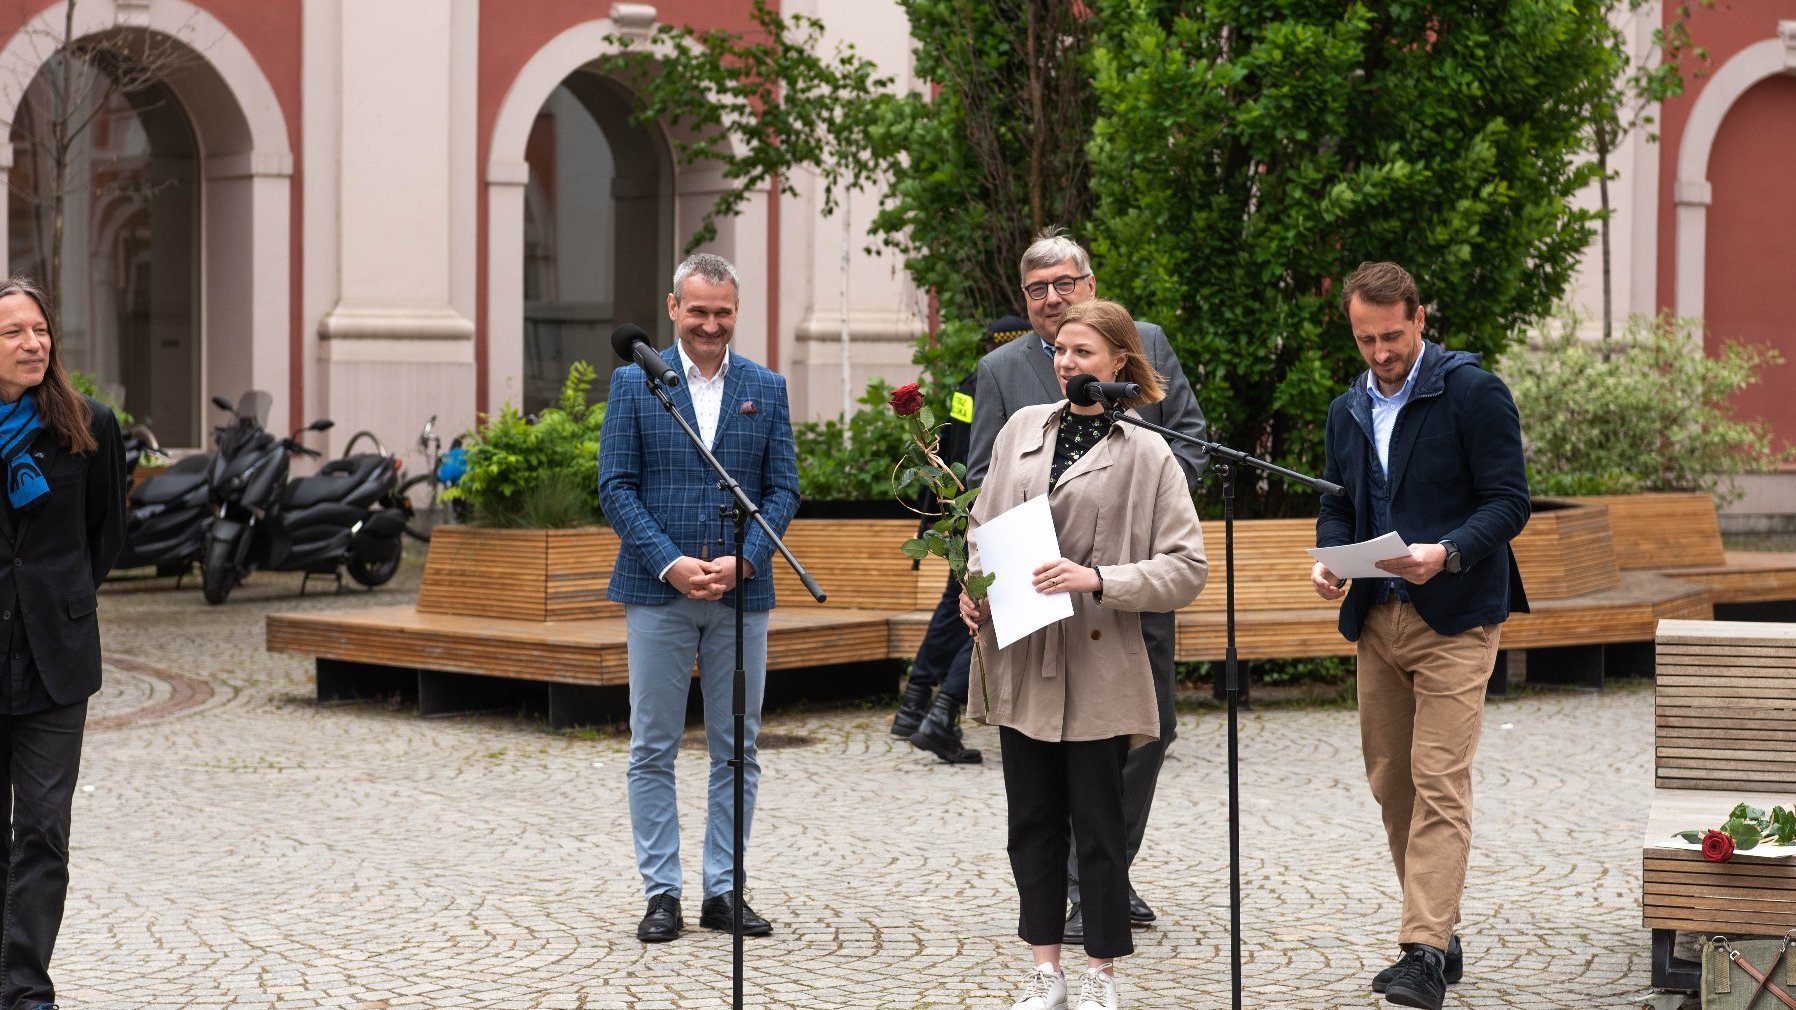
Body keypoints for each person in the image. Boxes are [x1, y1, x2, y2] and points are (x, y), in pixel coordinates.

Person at [960, 298, 1207, 1010]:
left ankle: (1100, 975)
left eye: (1083, 353)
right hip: (1023, 654)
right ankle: (1046, 974)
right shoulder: (1018, 429)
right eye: (1062, 352)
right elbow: (982, 527)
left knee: (1098, 828)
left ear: (1120, 364)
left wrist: (1099, 579)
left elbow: (1186, 568)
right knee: (1031, 822)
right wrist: (973, 591)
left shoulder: (1147, 451)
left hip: (1101, 660)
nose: (1067, 363)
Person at [1310, 261, 1530, 1010]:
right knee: (1390, 782)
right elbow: (1341, 507)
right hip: (1378, 616)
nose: (1380, 352)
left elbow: (1509, 503)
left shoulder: (1472, 391)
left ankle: (1423, 951)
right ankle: (1437, 921)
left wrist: (1449, 551)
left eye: (1392, 335)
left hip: (1458, 615)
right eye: (1366, 339)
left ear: (1420, 319)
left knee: (1439, 777)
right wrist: (1330, 560)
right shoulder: (1347, 409)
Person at [598, 253, 801, 944]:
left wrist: (743, 563)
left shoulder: (765, 387)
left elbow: (783, 490)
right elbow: (616, 488)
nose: (710, 324)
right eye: (698, 310)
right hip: (658, 593)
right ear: (673, 308)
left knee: (736, 748)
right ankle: (662, 893)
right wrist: (672, 564)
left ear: (736, 313)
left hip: (742, 594)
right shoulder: (634, 385)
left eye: (722, 312)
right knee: (652, 746)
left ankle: (725, 888)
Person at [0, 277, 126, 1010]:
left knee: (43, 833)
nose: (31, 343)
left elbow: (104, 537)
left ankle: (22, 992)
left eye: (39, 329)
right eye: (13, 332)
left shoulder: (89, 425)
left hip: (56, 659)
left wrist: (61, 600)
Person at [891, 314, 1031, 765]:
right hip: (989, 505)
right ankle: (940, 711)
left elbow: (950, 444)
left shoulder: (968, 383)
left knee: (956, 608)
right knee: (985, 614)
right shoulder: (1004, 381)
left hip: (959, 502)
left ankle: (914, 705)